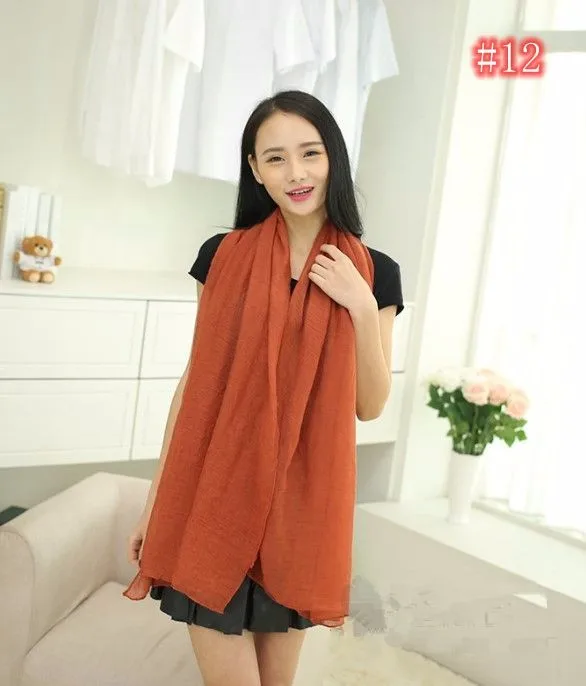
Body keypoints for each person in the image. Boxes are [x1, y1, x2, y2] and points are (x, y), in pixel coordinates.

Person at [126, 90, 403, 686]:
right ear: (254, 169)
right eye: (275, 158)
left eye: (310, 153)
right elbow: (195, 387)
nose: (296, 173)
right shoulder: (221, 257)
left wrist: (360, 305)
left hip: (297, 516)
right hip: (211, 499)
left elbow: (371, 405)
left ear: (334, 158)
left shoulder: (375, 272)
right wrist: (156, 501)